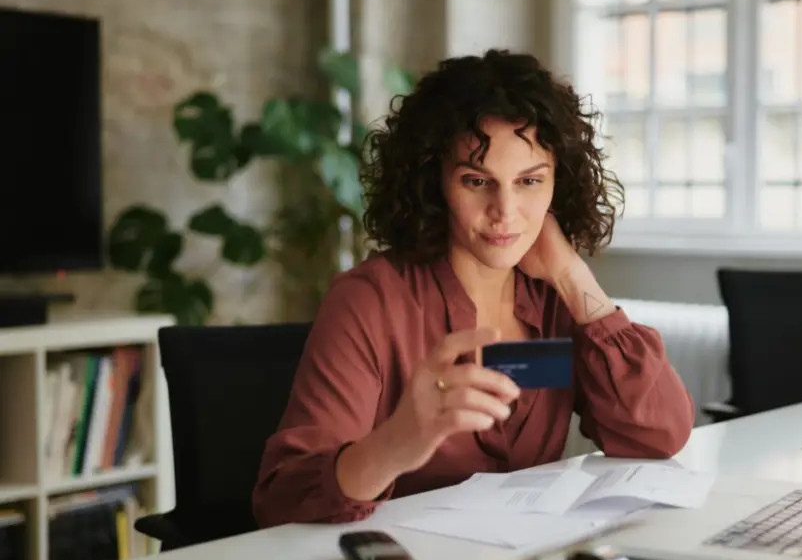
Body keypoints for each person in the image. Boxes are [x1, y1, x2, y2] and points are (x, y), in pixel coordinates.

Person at [251, 49, 696, 527]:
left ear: (558, 185)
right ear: (434, 182)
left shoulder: (551, 299)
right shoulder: (370, 300)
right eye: (477, 180)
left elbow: (659, 433)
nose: (505, 211)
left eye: (529, 181)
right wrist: (398, 442)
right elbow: (282, 501)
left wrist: (571, 274)